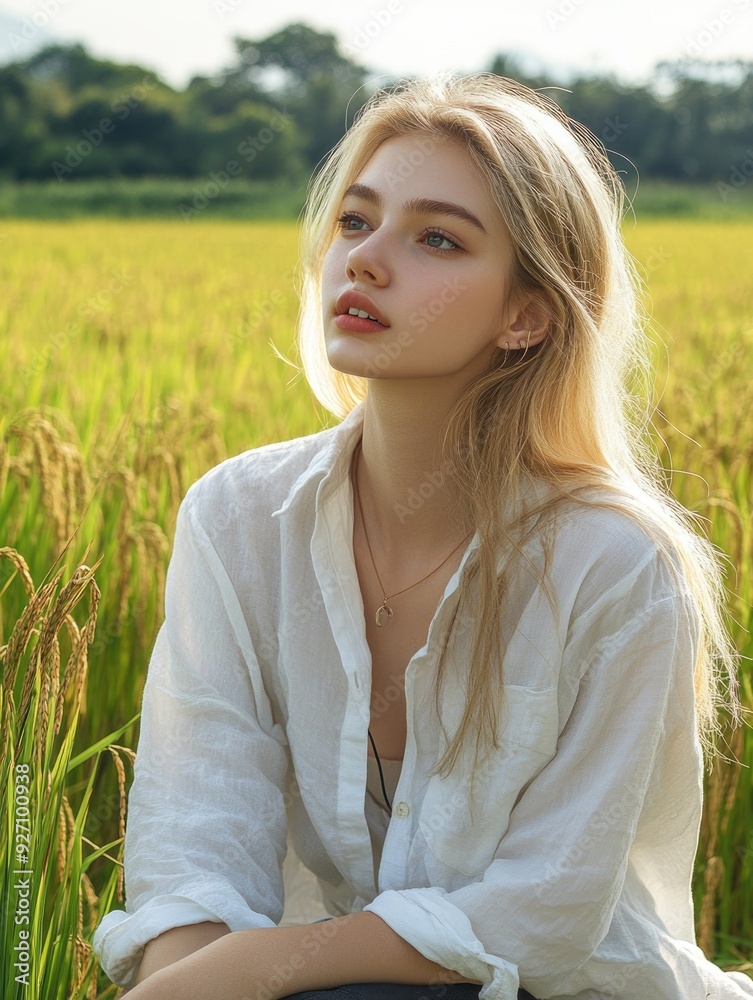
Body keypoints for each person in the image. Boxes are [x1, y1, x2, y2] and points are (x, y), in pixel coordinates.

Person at [92, 71, 752, 1000]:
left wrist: (254, 966)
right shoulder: (237, 519)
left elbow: (543, 910)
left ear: (527, 314)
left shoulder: (615, 565)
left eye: (436, 238)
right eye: (355, 222)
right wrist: (181, 983)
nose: (362, 260)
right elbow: (194, 834)